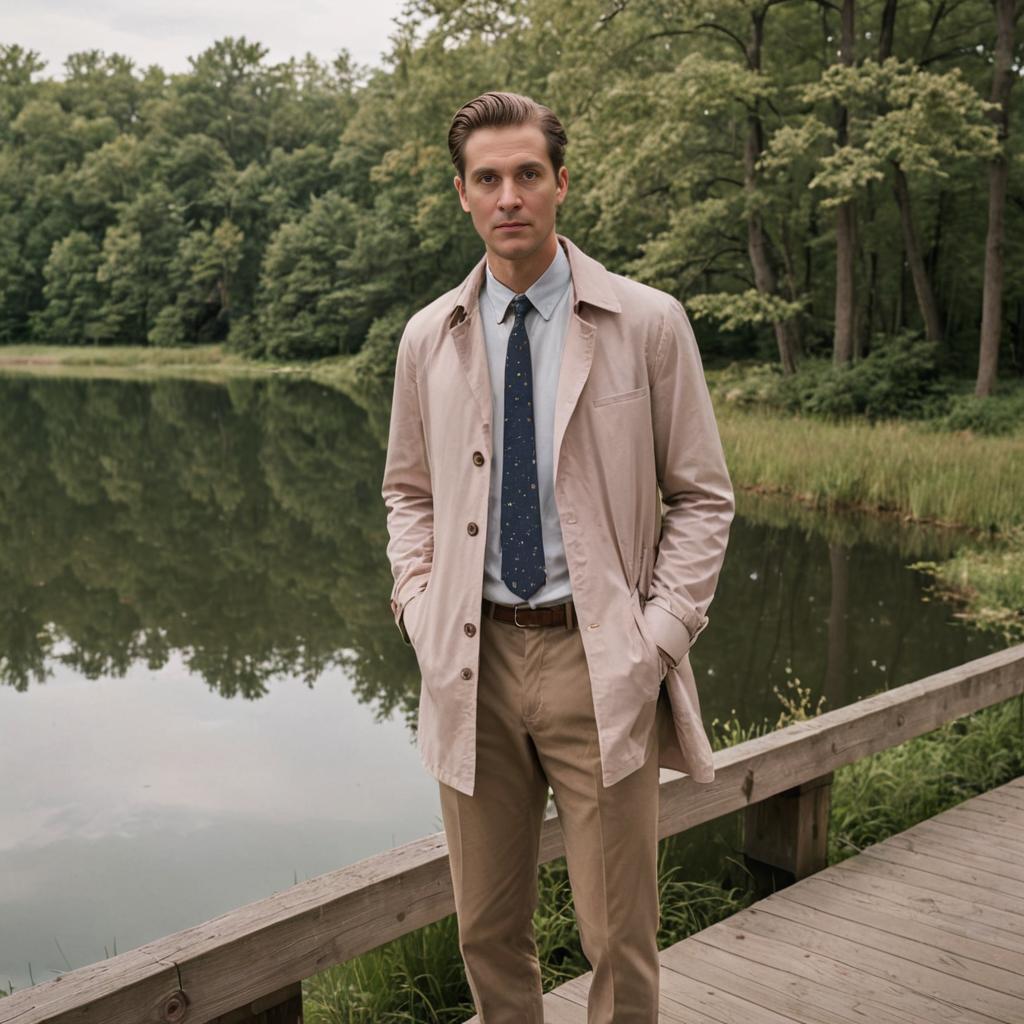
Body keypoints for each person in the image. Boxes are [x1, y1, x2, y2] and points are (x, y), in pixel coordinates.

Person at [381, 90, 734, 1023]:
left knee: (618, 935)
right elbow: (407, 493)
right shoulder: (429, 337)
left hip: (599, 660)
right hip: (472, 664)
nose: (509, 197)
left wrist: (654, 638)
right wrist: (418, 606)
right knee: (485, 931)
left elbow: (702, 497)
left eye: (527, 175)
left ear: (561, 183)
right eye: (488, 178)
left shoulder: (649, 323)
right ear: (461, 194)